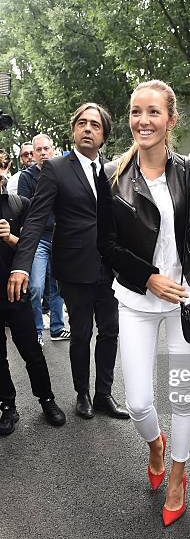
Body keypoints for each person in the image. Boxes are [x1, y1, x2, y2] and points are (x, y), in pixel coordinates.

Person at [97, 80, 190, 526]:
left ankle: (178, 473)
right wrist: (148, 277)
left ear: (170, 120)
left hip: (187, 299)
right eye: (137, 112)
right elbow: (106, 243)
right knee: (139, 401)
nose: (144, 120)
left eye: (154, 112)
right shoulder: (113, 177)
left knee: (183, 395)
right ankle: (155, 445)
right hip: (137, 298)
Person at [7, 103, 128, 421]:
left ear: (103, 136)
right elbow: (35, 220)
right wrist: (22, 264)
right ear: (74, 130)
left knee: (110, 331)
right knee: (82, 332)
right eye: (82, 123)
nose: (88, 129)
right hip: (75, 268)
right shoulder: (57, 169)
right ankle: (83, 394)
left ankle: (104, 393)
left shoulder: (113, 170)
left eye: (96, 125)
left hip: (110, 268)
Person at [0, 168, 65, 435]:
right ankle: (7, 405)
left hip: (15, 293)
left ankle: (47, 400)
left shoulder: (18, 204)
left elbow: (32, 246)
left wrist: (10, 237)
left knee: (32, 352)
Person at [18, 134, 69, 346]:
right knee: (36, 287)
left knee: (57, 286)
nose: (42, 153)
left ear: (53, 149)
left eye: (46, 149)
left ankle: (57, 328)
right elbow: (24, 208)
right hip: (38, 238)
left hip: (59, 236)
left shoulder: (63, 171)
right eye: (38, 150)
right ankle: (37, 330)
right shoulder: (26, 177)